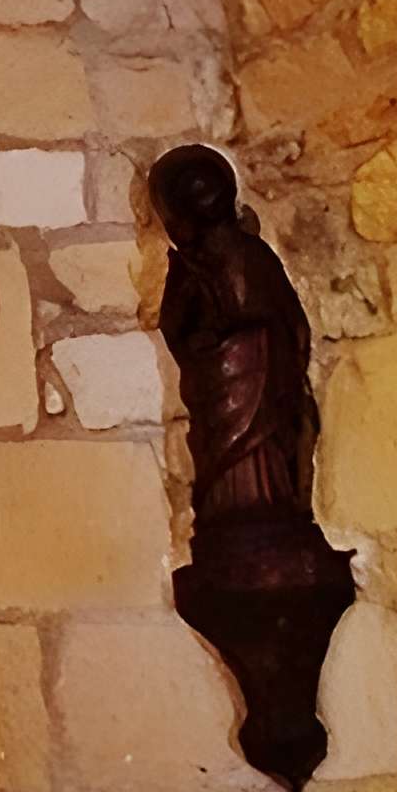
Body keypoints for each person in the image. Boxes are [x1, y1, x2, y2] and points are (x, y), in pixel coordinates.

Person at [152, 143, 317, 530]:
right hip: (221, 389)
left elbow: (291, 325)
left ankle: (275, 506)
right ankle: (233, 513)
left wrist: (260, 346)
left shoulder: (254, 256)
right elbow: (176, 329)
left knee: (268, 455)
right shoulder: (188, 270)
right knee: (231, 473)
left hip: (267, 388)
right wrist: (211, 346)